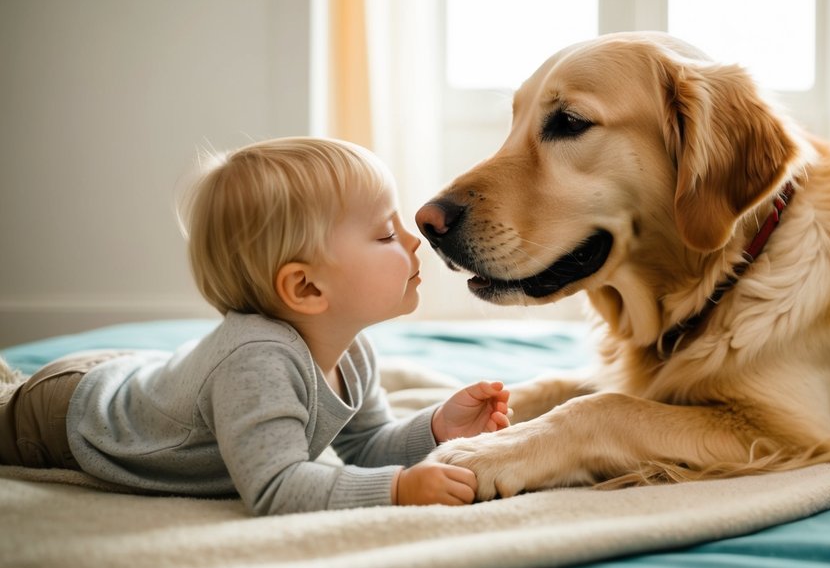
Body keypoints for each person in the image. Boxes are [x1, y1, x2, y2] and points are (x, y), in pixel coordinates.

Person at [0, 137, 510, 515]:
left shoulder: (352, 351)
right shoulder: (258, 361)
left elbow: (364, 444)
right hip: (71, 411)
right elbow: (276, 487)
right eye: (384, 234)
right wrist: (396, 489)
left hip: (140, 377)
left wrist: (436, 428)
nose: (413, 239)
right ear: (306, 288)